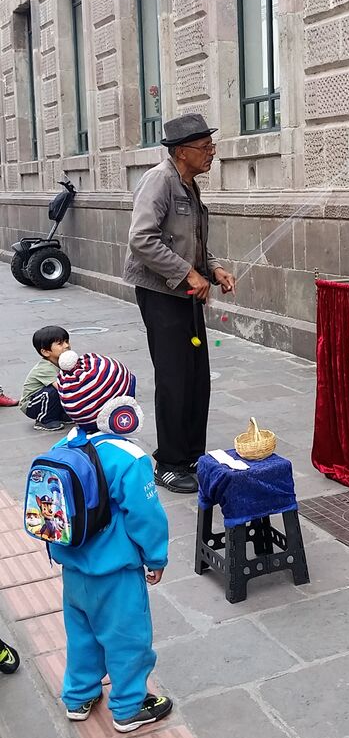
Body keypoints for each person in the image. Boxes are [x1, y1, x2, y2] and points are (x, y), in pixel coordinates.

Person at [52, 349, 172, 733]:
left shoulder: (62, 448)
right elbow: (146, 517)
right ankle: (128, 706)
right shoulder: (129, 457)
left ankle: (79, 697)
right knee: (128, 641)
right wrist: (156, 557)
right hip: (115, 573)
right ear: (117, 410)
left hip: (73, 569)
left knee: (82, 635)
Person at [123, 114, 236, 494]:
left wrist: (214, 268)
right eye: (205, 148)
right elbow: (142, 238)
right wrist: (189, 274)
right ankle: (169, 463)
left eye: (211, 146)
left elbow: (193, 239)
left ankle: (191, 455)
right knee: (174, 377)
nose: (211, 154)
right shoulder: (160, 180)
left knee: (196, 376)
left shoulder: (189, 185)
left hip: (187, 293)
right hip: (161, 294)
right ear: (181, 151)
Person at [19, 325, 72, 431]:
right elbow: (62, 388)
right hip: (31, 404)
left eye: (67, 341)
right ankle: (45, 420)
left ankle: (61, 415)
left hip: (46, 400)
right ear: (46, 352)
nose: (66, 345)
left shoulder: (64, 362)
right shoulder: (45, 368)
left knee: (66, 387)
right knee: (55, 391)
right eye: (60, 343)